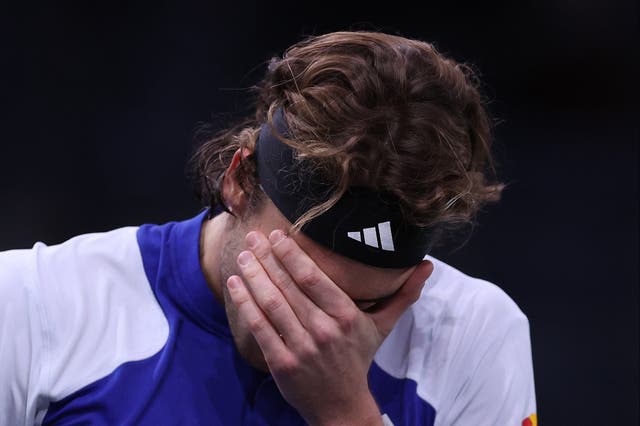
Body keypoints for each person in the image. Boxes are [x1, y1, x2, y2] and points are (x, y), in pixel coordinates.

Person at [0, 31, 537, 425]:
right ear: (238, 181)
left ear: (415, 278)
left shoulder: (474, 339)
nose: (325, 332)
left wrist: (348, 414)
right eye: (298, 283)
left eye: (366, 306)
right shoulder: (33, 303)